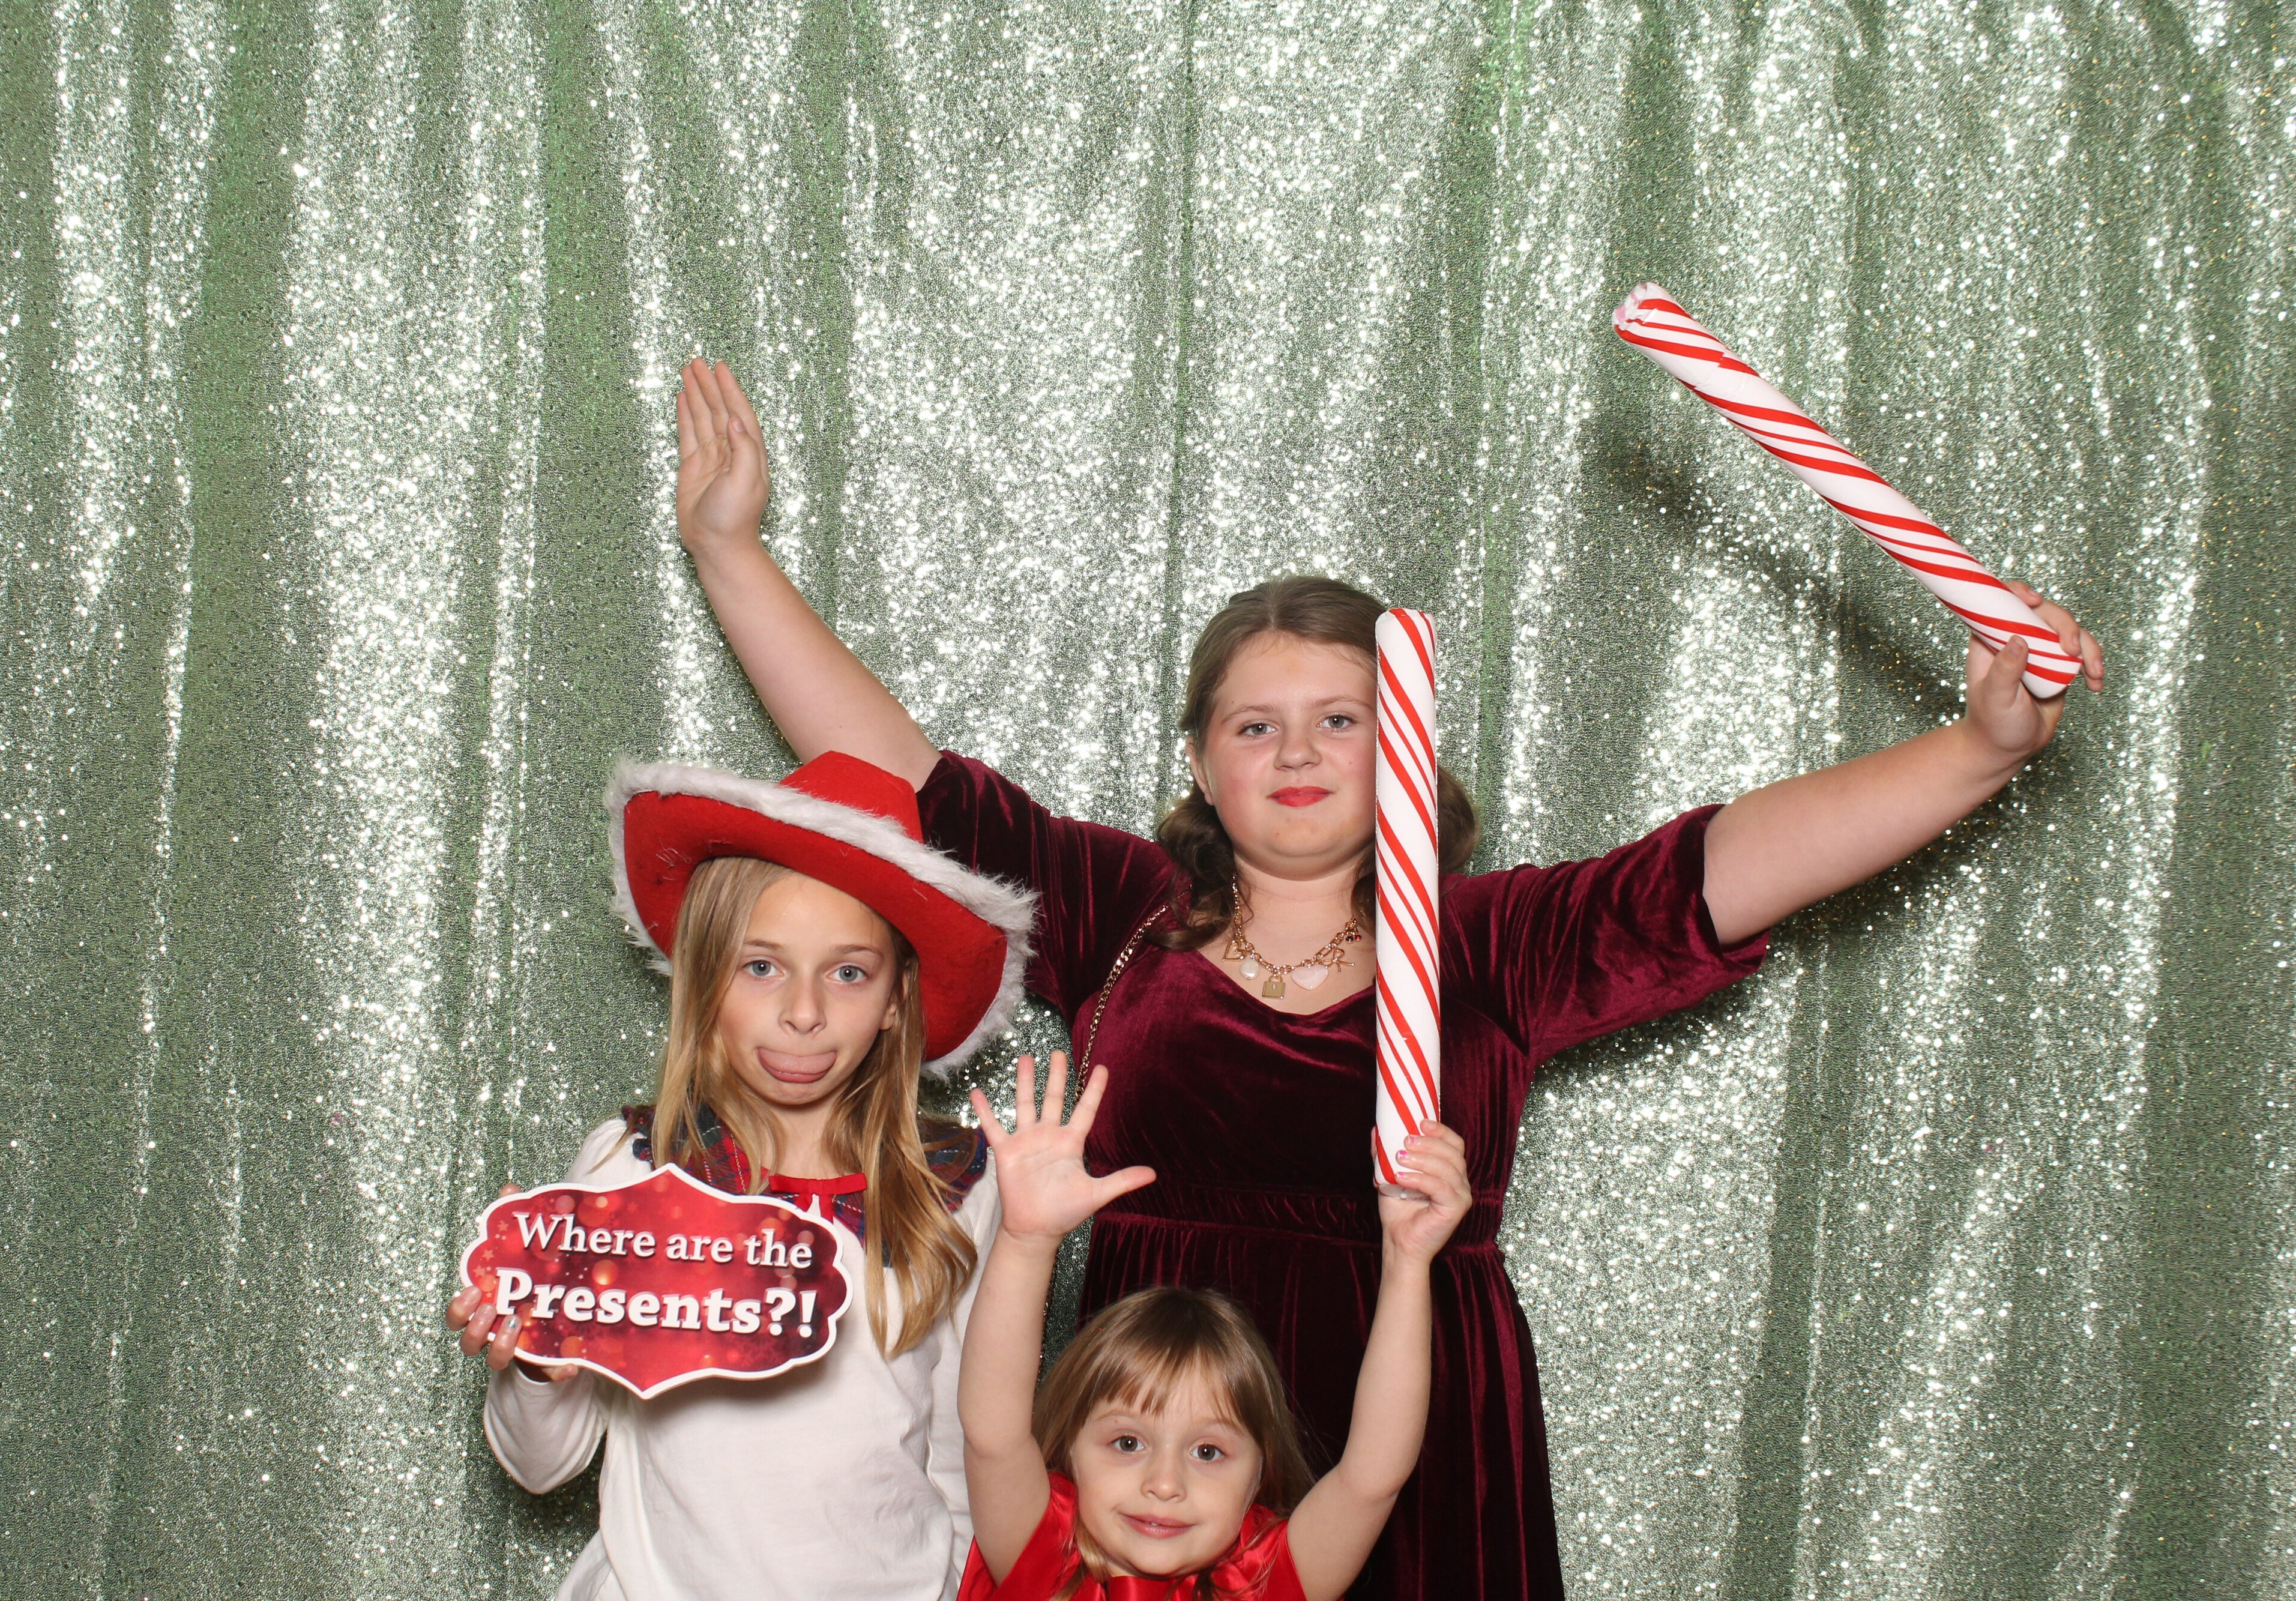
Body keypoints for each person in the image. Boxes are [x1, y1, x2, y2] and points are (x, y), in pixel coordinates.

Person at [666, 357, 2106, 1599]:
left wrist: (1975, 750)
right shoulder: (1125, 913)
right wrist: (730, 549)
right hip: (1156, 1433)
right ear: (1200, 760)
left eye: (1338, 720)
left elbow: (1725, 866)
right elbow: (902, 786)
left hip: (1418, 1433)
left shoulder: (1489, 941)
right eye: (1253, 725)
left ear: (1403, 745)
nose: (1294, 753)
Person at [445, 752, 1037, 1601]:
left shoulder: (957, 1190)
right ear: (706, 977)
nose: (804, 1012)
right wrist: (535, 1360)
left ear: (897, 998)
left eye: (848, 972)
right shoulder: (633, 1168)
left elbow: (962, 1447)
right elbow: (542, 1465)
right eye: (762, 966)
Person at [955, 1051, 1470, 1601]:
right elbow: (993, 1433)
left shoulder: (1264, 1584)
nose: (1164, 1484)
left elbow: (1371, 1477)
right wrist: (1028, 1240)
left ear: (1259, 1475)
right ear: (1070, 1450)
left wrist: (1407, 1260)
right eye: (1127, 1442)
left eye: (1208, 1451)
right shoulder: (1043, 1560)